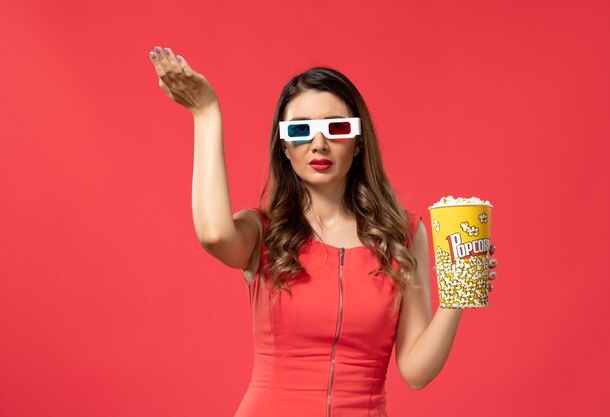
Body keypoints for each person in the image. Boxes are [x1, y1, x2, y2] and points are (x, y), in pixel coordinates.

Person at [149, 45, 498, 417]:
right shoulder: (264, 231)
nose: (319, 144)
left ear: (359, 140)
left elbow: (415, 371)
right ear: (284, 146)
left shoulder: (403, 234)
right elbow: (214, 235)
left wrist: (459, 296)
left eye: (336, 127)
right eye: (300, 130)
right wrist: (206, 113)